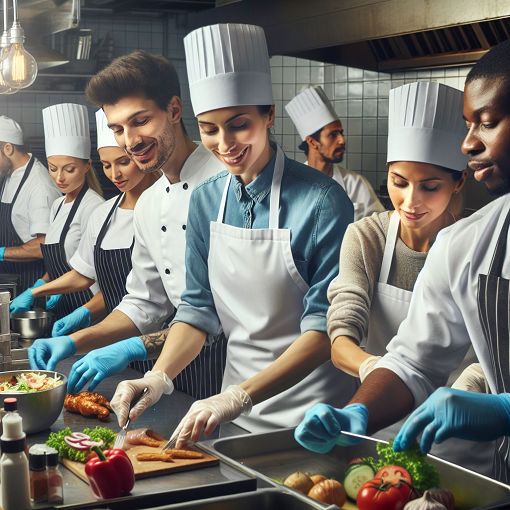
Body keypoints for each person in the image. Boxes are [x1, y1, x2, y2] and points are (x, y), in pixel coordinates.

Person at [109, 23, 358, 443]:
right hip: (233, 418)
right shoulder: (207, 200)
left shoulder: (322, 201)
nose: (224, 143)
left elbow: (324, 331)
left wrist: (241, 396)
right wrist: (158, 377)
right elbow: (198, 311)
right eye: (209, 128)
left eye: (238, 124)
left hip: (315, 417)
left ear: (269, 115)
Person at [294, 39, 510, 483]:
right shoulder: (469, 242)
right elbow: (415, 362)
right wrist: (358, 410)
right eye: (468, 125)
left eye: (486, 124)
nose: (468, 143)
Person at [28, 50, 227, 400]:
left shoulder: (227, 184)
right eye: (117, 129)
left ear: (175, 111)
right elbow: (145, 304)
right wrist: (75, 340)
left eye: (141, 121)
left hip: (237, 376)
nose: (130, 140)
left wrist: (131, 348)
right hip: (177, 374)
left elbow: (227, 315)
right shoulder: (151, 203)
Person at [26, 109, 160, 353]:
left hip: (159, 340)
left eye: (123, 162)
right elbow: (83, 273)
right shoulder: (104, 213)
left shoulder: (163, 208)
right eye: (106, 166)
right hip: (112, 334)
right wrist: (35, 291)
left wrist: (85, 311)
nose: (114, 175)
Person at [9, 103, 104, 318]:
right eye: (53, 168)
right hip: (62, 301)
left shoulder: (94, 207)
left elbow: (96, 269)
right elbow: (59, 261)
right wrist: (43, 281)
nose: (59, 177)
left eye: (69, 169)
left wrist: (41, 290)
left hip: (88, 303)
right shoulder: (57, 206)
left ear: (87, 166)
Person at [286, 85, 384, 221]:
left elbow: (378, 229)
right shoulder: (292, 186)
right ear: (312, 142)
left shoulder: (356, 185)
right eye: (333, 135)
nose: (342, 140)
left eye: (341, 133)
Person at [0, 116, 60, 293]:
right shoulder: (9, 174)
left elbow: (45, 246)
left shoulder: (39, 185)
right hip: (9, 278)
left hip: (31, 284)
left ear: (8, 148)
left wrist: (2, 253)